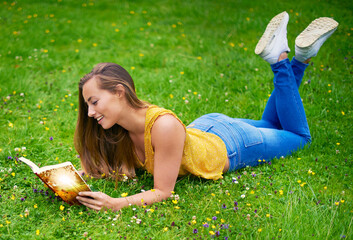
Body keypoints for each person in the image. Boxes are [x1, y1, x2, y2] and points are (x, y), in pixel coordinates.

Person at [75, 11, 338, 211]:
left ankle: (281, 60)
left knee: (299, 138)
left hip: (234, 145)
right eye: (87, 104)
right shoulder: (117, 129)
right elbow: (109, 163)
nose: (89, 112)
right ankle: (303, 54)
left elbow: (163, 191)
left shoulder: (162, 126)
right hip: (205, 129)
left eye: (94, 102)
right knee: (269, 122)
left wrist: (115, 204)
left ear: (120, 92)